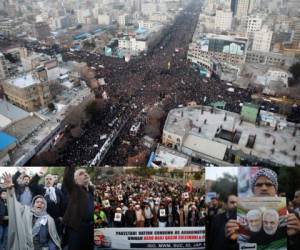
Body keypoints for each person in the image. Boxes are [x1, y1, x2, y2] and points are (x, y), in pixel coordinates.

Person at [225, 168, 300, 250]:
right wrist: (231, 240)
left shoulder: (291, 215)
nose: (264, 188)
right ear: (253, 190)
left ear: (275, 189)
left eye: (268, 184)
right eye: (259, 184)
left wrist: (295, 236)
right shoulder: (238, 215)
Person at [2, 172, 61, 250]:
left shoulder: (49, 220)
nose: (39, 204)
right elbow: (14, 206)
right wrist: (10, 189)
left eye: (42, 202)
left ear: (45, 206)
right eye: (37, 202)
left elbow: (53, 239)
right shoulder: (26, 213)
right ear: (33, 204)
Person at [62, 167, 93, 250]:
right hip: (77, 228)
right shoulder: (74, 190)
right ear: (75, 180)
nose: (85, 174)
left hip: (90, 228)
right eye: (81, 174)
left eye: (85, 172)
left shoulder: (92, 191)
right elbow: (67, 178)